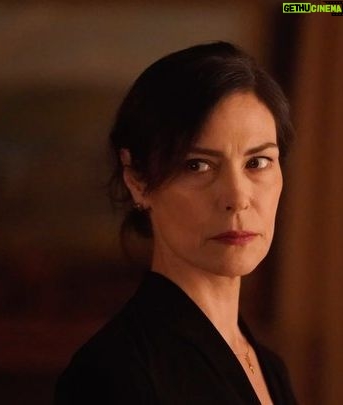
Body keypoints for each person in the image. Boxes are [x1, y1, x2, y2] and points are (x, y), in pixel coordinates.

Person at [55, 41, 297, 404]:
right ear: (137, 179)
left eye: (257, 162)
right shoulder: (112, 373)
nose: (237, 197)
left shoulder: (270, 368)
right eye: (198, 165)